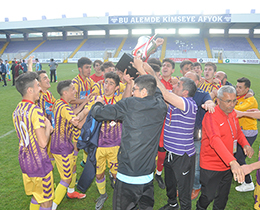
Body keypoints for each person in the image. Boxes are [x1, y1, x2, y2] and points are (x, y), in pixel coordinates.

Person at [90, 58, 167, 210]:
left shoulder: (129, 104)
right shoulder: (161, 105)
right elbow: (156, 86)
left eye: (135, 90)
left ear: (144, 92)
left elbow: (99, 114)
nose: (132, 92)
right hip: (147, 175)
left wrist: (98, 102)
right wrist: (141, 70)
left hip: (127, 175)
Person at [196, 85, 254, 210]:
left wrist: (245, 144)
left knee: (222, 197)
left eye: (234, 101)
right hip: (211, 166)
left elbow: (238, 131)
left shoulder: (232, 113)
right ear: (218, 101)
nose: (232, 104)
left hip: (227, 165)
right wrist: (233, 162)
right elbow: (215, 140)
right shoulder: (211, 116)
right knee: (208, 196)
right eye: (228, 101)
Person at [152, 70, 198, 210]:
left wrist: (146, 70)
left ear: (185, 92)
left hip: (183, 156)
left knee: (184, 191)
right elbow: (165, 96)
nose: (174, 85)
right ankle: (172, 204)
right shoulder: (176, 104)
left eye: (178, 85)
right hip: (170, 152)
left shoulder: (188, 104)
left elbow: (165, 93)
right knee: (170, 183)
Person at [13, 71, 54, 210]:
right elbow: (43, 143)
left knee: (37, 196)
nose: (40, 89)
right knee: (47, 202)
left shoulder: (17, 110)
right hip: (39, 163)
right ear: (30, 90)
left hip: (25, 161)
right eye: (38, 86)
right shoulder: (35, 110)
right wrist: (48, 127)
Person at [84, 72, 123, 210]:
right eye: (106, 82)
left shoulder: (119, 100)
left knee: (116, 174)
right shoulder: (97, 101)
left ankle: (119, 195)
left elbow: (129, 95)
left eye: (111, 83)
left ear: (117, 87)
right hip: (99, 145)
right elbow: (86, 113)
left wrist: (129, 82)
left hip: (115, 145)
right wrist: (76, 119)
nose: (107, 86)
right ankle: (102, 195)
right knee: (99, 173)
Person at [50, 80, 88, 210]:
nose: (75, 91)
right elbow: (77, 122)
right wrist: (89, 110)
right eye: (72, 89)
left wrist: (84, 103)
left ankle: (71, 192)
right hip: (62, 147)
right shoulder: (65, 107)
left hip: (63, 144)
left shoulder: (59, 103)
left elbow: (72, 114)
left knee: (72, 169)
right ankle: (52, 206)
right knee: (66, 178)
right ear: (65, 92)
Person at [184, 71, 216, 200]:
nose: (185, 80)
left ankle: (196, 186)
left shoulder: (203, 94)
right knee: (183, 163)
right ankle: (185, 185)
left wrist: (210, 104)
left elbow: (209, 101)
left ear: (196, 82)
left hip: (196, 137)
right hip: (181, 137)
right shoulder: (179, 93)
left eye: (189, 79)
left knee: (196, 165)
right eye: (184, 78)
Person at [153, 58, 175, 190]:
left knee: (163, 151)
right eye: (164, 65)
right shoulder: (156, 82)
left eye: (168, 66)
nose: (165, 67)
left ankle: (159, 174)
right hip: (155, 121)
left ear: (173, 70)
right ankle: (149, 172)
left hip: (170, 122)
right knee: (153, 149)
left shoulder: (177, 83)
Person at [234, 77, 258, 192]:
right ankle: (240, 176)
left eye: (240, 87)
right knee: (236, 156)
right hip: (240, 132)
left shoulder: (250, 100)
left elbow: (236, 110)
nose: (237, 89)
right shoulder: (240, 96)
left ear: (247, 89)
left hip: (248, 132)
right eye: (237, 86)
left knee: (239, 157)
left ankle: (248, 183)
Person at [36, 70, 56, 167]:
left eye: (47, 77)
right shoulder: (37, 96)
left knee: (51, 154)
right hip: (42, 131)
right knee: (43, 157)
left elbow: (55, 107)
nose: (48, 79)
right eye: (45, 78)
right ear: (38, 83)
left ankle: (50, 178)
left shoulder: (48, 93)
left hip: (50, 130)